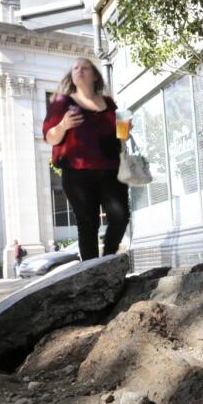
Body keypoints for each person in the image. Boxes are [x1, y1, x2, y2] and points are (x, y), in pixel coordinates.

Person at [42, 58, 129, 261]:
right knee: (88, 223)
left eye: (85, 67)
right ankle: (91, 270)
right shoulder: (62, 102)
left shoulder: (108, 103)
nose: (79, 70)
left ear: (95, 75)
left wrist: (125, 131)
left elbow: (119, 137)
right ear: (72, 75)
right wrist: (63, 125)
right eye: (75, 68)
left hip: (110, 170)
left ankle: (107, 260)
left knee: (121, 217)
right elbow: (50, 137)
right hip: (77, 173)